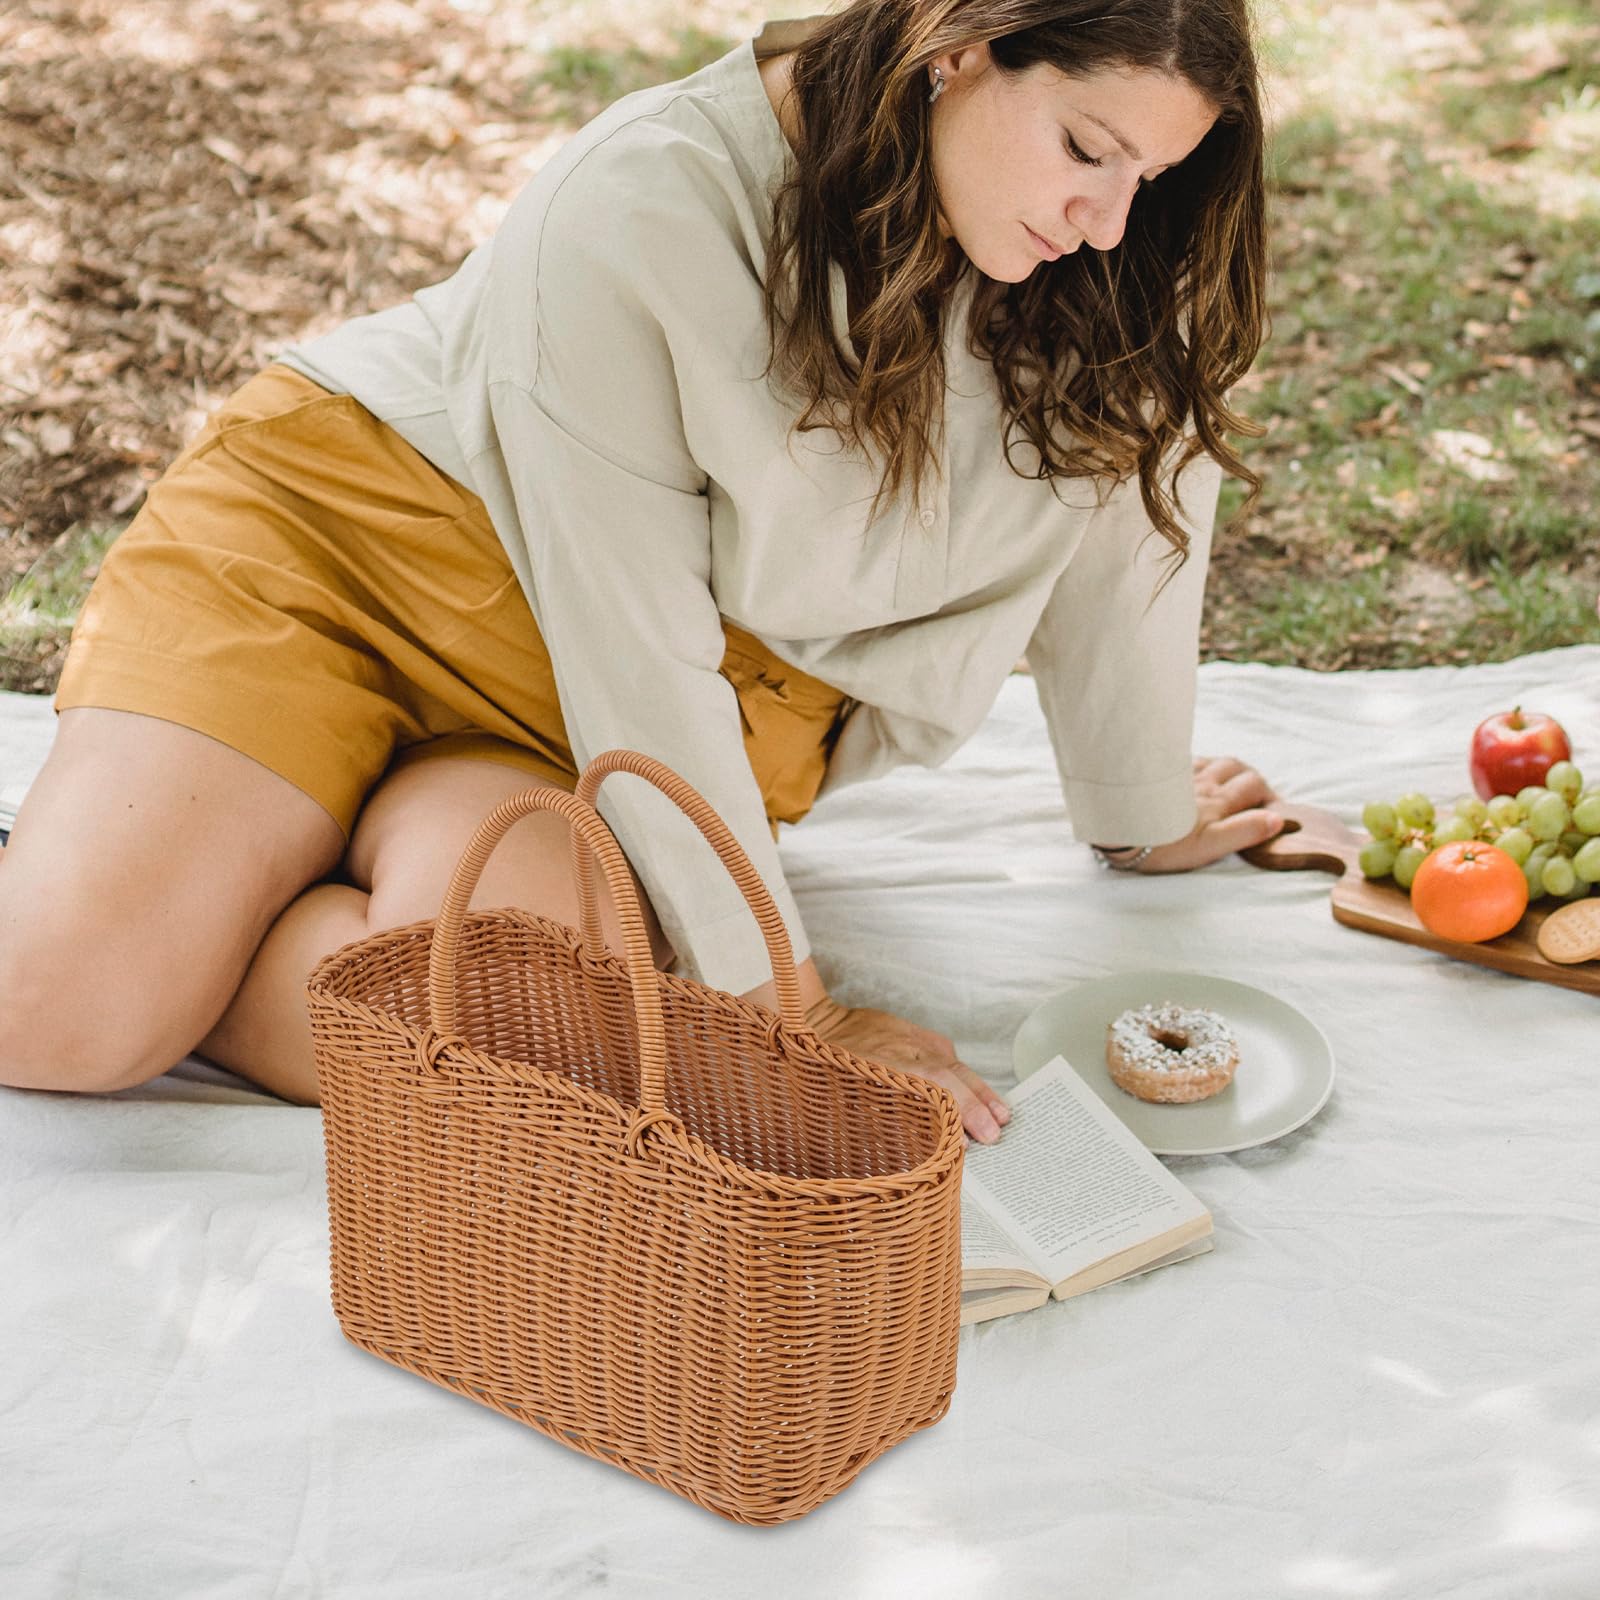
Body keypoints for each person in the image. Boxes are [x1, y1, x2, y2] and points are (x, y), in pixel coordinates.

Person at [0, 1, 1283, 1145]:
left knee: (533, 1050)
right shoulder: (643, 198)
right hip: (355, 548)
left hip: (587, 727)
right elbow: (637, 643)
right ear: (952, 44)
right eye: (1085, 149)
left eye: (1153, 172)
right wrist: (787, 1010)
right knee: (62, 1013)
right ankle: (142, 916)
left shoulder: (1118, 251)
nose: (1110, 215)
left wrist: (1140, 806)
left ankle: (208, 891)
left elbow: (1132, 523)